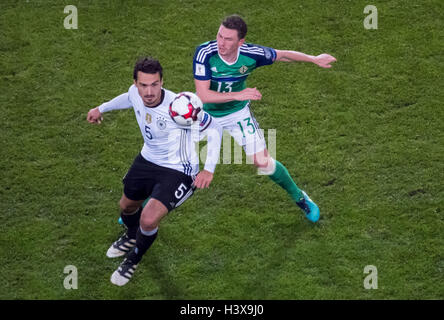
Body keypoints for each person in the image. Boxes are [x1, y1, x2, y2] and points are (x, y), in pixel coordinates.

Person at [87, 57, 222, 286]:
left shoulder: (181, 106)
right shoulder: (134, 93)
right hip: (148, 159)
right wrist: (101, 108)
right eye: (143, 85)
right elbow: (128, 98)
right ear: (136, 83)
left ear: (162, 82)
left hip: (180, 169)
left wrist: (208, 169)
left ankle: (134, 258)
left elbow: (215, 129)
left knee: (148, 220)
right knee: (126, 206)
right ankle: (131, 236)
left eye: (155, 84)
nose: (149, 92)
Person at [193, 15, 337, 223]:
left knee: (263, 163)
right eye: (219, 36)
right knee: (177, 160)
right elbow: (203, 95)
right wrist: (238, 94)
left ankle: (300, 198)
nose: (221, 43)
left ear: (240, 42)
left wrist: (313, 58)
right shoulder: (205, 53)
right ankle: (137, 208)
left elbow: (283, 55)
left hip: (237, 114)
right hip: (206, 114)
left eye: (228, 39)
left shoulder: (252, 54)